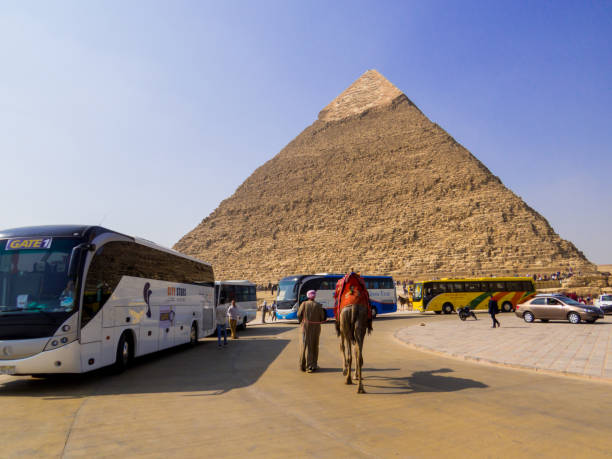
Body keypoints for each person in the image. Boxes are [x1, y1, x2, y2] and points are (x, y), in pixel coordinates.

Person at [297, 290, 326, 373]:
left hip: (304, 327)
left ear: (307, 296)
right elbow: (322, 317)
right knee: (313, 346)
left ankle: (302, 365)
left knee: (303, 345)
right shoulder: (318, 305)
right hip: (315, 328)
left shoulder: (304, 304)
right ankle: (311, 366)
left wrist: (301, 321)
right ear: (314, 296)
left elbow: (299, 314)